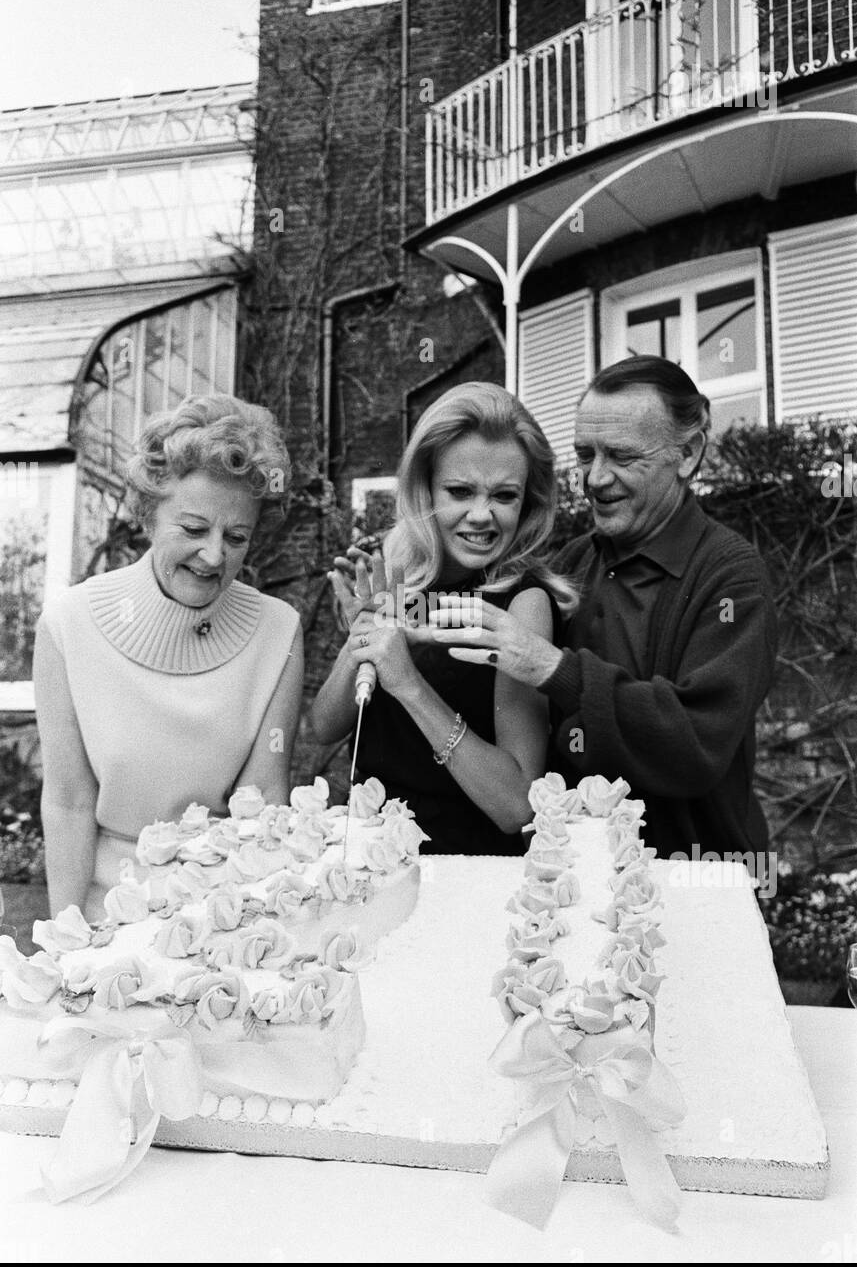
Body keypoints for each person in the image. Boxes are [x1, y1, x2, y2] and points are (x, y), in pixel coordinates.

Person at [430, 356, 777, 860]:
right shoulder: (569, 565)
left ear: (688, 452)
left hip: (692, 885)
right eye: (584, 454)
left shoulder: (732, 580)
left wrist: (552, 668)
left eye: (620, 455)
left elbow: (695, 745)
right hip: (572, 882)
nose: (594, 478)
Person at [34, 393, 303, 921]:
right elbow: (67, 803)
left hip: (224, 911)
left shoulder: (279, 632)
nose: (213, 555)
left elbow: (263, 797)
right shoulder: (68, 626)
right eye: (194, 529)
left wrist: (248, 931)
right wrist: (67, 945)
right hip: (104, 912)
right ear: (148, 515)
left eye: (237, 537)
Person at [310, 382, 576, 855]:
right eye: (459, 491)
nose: (481, 515)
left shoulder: (522, 603)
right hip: (372, 858)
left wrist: (409, 685)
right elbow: (325, 728)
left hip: (461, 873)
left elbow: (517, 806)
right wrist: (361, 644)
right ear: (425, 489)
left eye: (504, 496)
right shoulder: (398, 576)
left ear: (528, 503)